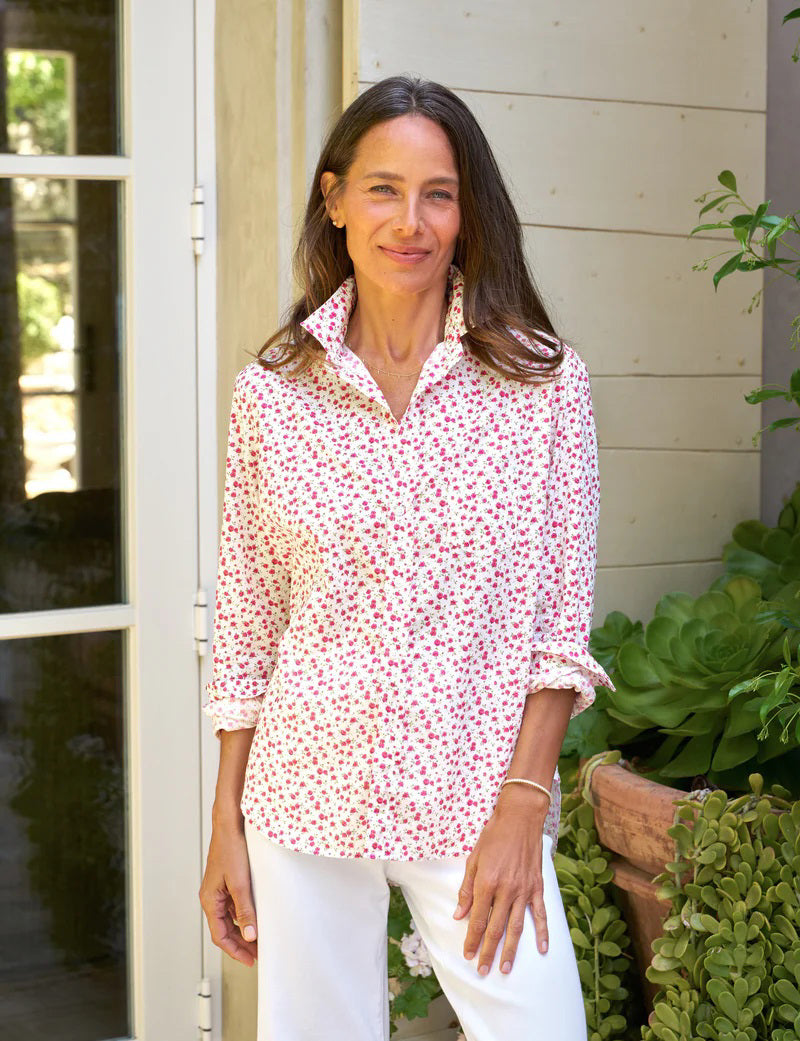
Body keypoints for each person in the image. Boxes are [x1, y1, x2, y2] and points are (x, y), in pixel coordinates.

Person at [198, 75, 616, 1041]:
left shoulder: (542, 384)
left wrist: (525, 802)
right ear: (335, 200)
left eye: (439, 192)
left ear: (470, 213)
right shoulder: (273, 392)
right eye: (383, 189)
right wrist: (226, 818)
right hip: (302, 794)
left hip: (475, 793)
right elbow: (252, 625)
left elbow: (559, 624)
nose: (410, 221)